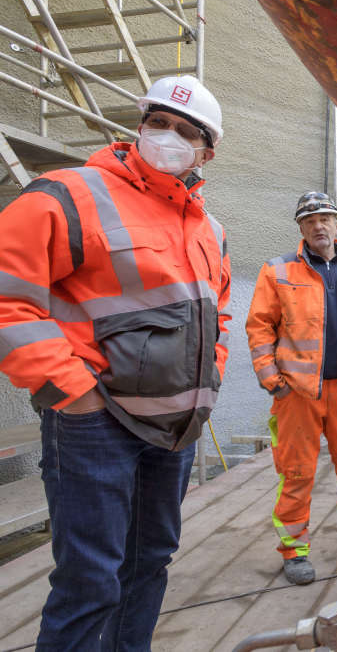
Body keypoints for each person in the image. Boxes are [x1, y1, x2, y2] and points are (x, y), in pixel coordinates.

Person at [0, 75, 229, 649]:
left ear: (207, 151)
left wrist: (209, 379)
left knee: (148, 565)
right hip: (96, 426)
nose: (168, 136)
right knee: (90, 581)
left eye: (187, 131)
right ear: (139, 124)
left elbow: (216, 317)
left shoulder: (210, 231)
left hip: (175, 431)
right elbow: (8, 294)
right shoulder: (69, 193)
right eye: (158, 121)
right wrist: (72, 390)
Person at [246, 191, 337, 586]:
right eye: (309, 221)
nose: (318, 226)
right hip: (297, 395)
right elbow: (259, 328)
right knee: (296, 473)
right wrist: (273, 381)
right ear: (301, 229)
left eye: (325, 218)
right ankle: (294, 552)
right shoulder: (278, 271)